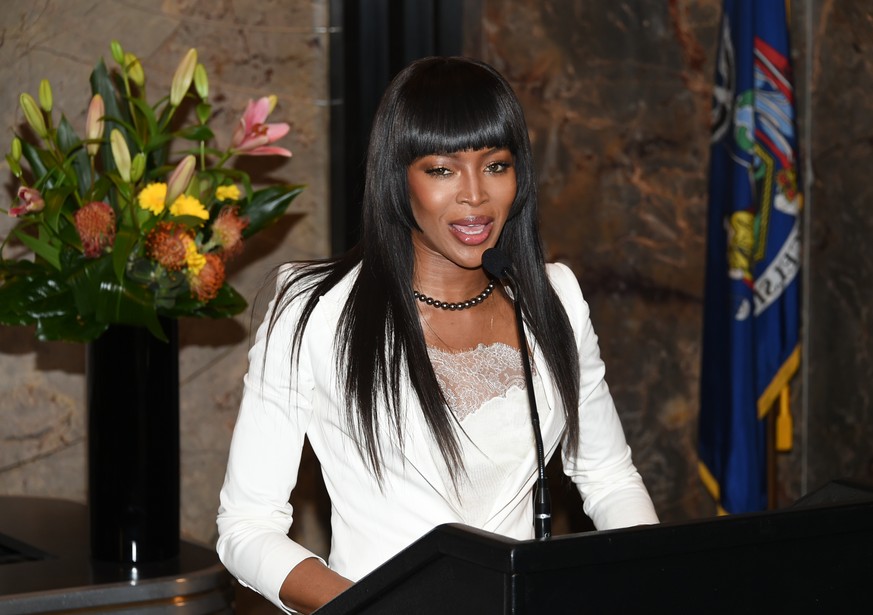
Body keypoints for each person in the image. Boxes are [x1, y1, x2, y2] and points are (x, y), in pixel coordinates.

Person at [216, 56, 659, 614]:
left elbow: (609, 477)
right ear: (397, 177)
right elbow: (247, 528)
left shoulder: (555, 299)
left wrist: (653, 585)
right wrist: (372, 608)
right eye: (443, 170)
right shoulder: (313, 310)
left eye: (495, 166)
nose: (475, 196)